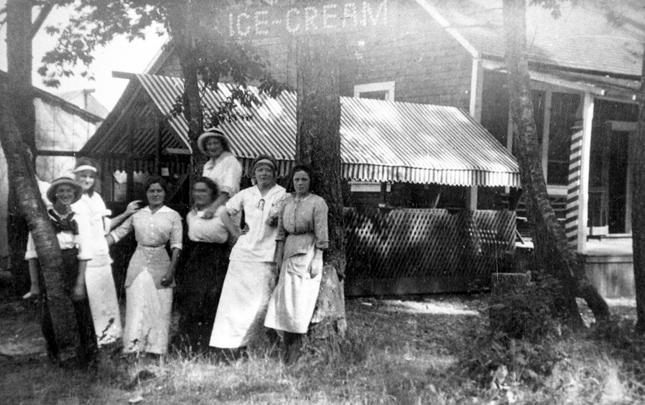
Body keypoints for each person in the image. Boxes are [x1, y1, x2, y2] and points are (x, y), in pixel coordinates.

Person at [209, 155, 286, 353]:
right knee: (235, 302)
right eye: (260, 170)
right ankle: (231, 346)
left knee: (260, 304)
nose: (264, 173)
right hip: (243, 255)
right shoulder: (246, 193)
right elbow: (223, 212)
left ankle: (256, 346)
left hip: (267, 255)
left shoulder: (282, 194)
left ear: (275, 173)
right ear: (254, 173)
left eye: (268, 170)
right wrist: (236, 233)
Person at [24, 176, 97, 367]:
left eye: (69, 191)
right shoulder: (42, 219)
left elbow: (85, 253)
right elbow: (31, 253)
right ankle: (56, 355)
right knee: (50, 314)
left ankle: (85, 357)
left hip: (73, 267)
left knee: (80, 311)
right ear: (54, 194)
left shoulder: (79, 218)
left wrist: (79, 283)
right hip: (49, 268)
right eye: (61, 191)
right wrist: (34, 285)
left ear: (74, 194)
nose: (65, 194)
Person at [107, 176, 182, 356]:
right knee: (136, 302)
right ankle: (133, 347)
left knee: (160, 304)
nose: (155, 194)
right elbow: (118, 234)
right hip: (138, 261)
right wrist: (96, 246)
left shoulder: (173, 215)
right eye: (151, 191)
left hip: (161, 261)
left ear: (164, 193)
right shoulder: (138, 214)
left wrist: (171, 271)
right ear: (146, 193)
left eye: (159, 191)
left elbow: (177, 246)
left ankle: (155, 349)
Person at [72, 158, 139, 349]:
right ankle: (90, 344)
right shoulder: (73, 200)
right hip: (84, 258)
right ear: (75, 176)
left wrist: (126, 213)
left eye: (91, 176)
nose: (87, 180)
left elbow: (105, 227)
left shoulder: (97, 198)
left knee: (105, 300)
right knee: (88, 302)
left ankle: (108, 340)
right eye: (83, 176)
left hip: (102, 257)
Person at [265, 165, 329, 364]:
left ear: (310, 182)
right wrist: (278, 258)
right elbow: (280, 234)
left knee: (300, 304)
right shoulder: (286, 202)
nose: (300, 183)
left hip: (307, 253)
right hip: (288, 253)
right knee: (284, 303)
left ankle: (296, 353)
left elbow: (321, 233)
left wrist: (317, 258)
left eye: (304, 179)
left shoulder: (318, 203)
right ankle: (283, 351)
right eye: (297, 180)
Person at [176, 177, 236, 352]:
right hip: (195, 261)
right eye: (196, 190)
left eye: (203, 190)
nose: (199, 194)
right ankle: (189, 345)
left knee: (211, 302)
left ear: (212, 193)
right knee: (192, 302)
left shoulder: (222, 212)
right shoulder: (191, 215)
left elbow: (234, 235)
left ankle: (210, 347)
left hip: (216, 261)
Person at [198, 128, 243, 213]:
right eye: (209, 144)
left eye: (216, 143)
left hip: (226, 210)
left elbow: (228, 191)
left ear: (223, 145)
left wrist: (212, 208)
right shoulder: (207, 165)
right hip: (208, 209)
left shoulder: (231, 161)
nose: (212, 147)